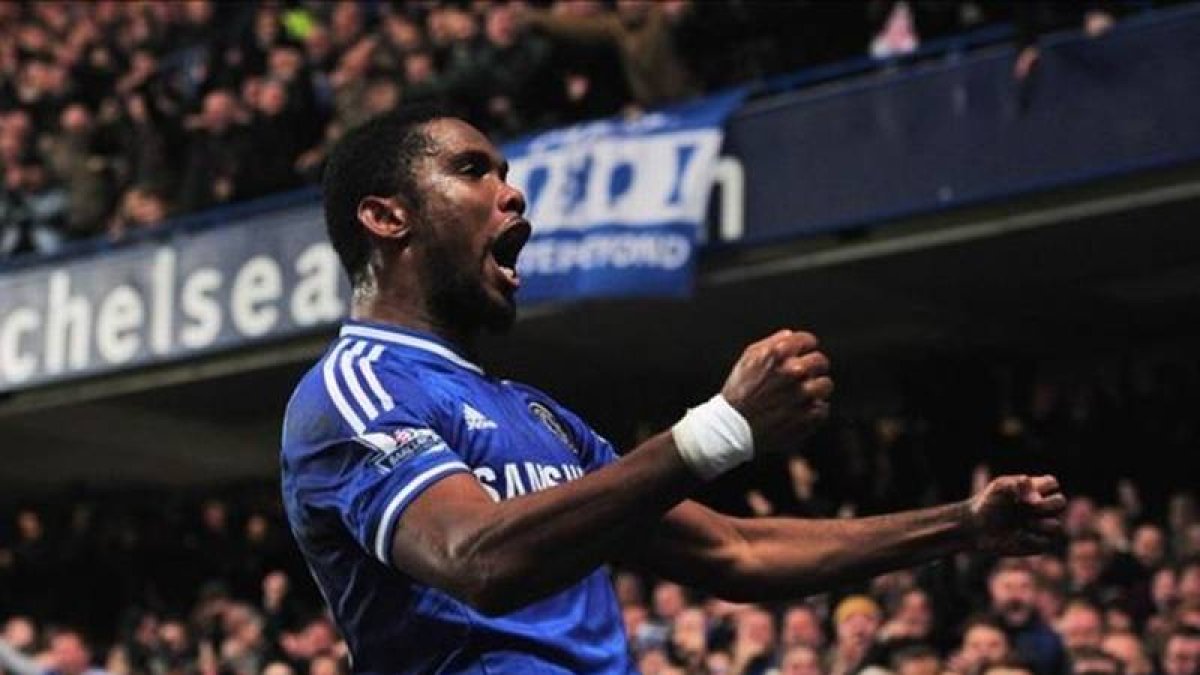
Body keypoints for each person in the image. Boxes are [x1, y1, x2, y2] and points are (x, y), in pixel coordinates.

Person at [279, 106, 1067, 673]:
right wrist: (719, 427)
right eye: (472, 169)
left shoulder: (541, 417)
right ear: (387, 216)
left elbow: (737, 548)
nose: (512, 194)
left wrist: (959, 524)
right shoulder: (352, 391)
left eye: (507, 174)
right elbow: (476, 557)